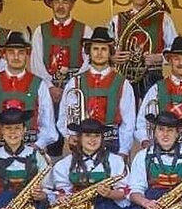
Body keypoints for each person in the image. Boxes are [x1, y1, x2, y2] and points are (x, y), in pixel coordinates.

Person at [30, 0, 91, 148]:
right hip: (49, 92)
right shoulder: (40, 31)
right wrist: (50, 87)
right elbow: (36, 62)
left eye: (65, 1)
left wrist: (72, 87)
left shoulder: (85, 30)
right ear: (51, 4)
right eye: (57, 1)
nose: (60, 6)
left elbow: (89, 61)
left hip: (76, 92)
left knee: (78, 137)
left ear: (71, 4)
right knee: (51, 140)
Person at [0, 31, 59, 153]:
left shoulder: (40, 84)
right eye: (11, 52)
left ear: (27, 55)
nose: (16, 57)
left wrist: (38, 145)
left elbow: (47, 122)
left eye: (21, 52)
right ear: (4, 55)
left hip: (29, 146)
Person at [57, 27, 136, 155]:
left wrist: (123, 151)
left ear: (110, 52)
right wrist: (69, 134)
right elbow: (64, 114)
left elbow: (129, 121)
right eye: (95, 49)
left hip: (112, 143)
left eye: (104, 49)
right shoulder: (75, 82)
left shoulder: (123, 83)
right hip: (83, 143)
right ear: (89, 51)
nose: (99, 53)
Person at [109, 0, 178, 100]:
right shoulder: (117, 20)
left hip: (153, 76)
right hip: (125, 78)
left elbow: (176, 49)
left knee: (152, 111)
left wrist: (160, 57)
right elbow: (104, 48)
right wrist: (112, 57)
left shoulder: (163, 18)